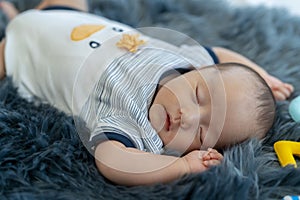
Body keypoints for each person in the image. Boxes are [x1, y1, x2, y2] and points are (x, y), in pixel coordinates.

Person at [0, 0, 294, 186]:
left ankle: (12, 17)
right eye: (198, 96)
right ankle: (17, 13)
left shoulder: (140, 131)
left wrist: (178, 166)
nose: (187, 116)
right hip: (70, 20)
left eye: (202, 134)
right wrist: (263, 75)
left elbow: (111, 160)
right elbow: (219, 54)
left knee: (11, 39)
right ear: (195, 71)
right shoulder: (180, 59)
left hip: (23, 57)